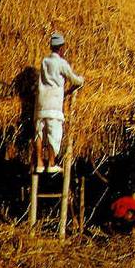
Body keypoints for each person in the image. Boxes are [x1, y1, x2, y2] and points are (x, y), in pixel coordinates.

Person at [34, 32, 84, 174]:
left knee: (39, 132)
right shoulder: (61, 64)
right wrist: (82, 80)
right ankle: (51, 163)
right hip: (54, 104)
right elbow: (74, 80)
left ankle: (38, 163)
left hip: (41, 102)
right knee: (53, 134)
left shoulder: (44, 61)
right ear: (61, 48)